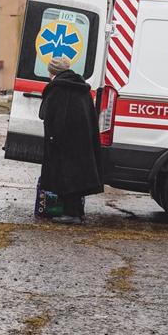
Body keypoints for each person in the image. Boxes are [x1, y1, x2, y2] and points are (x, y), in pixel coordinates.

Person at [38, 56, 104, 224]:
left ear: (52, 71)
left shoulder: (56, 88)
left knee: (63, 174)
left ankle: (71, 214)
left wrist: (53, 138)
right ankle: (78, 212)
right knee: (78, 175)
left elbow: (45, 114)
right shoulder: (81, 87)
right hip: (82, 140)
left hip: (62, 140)